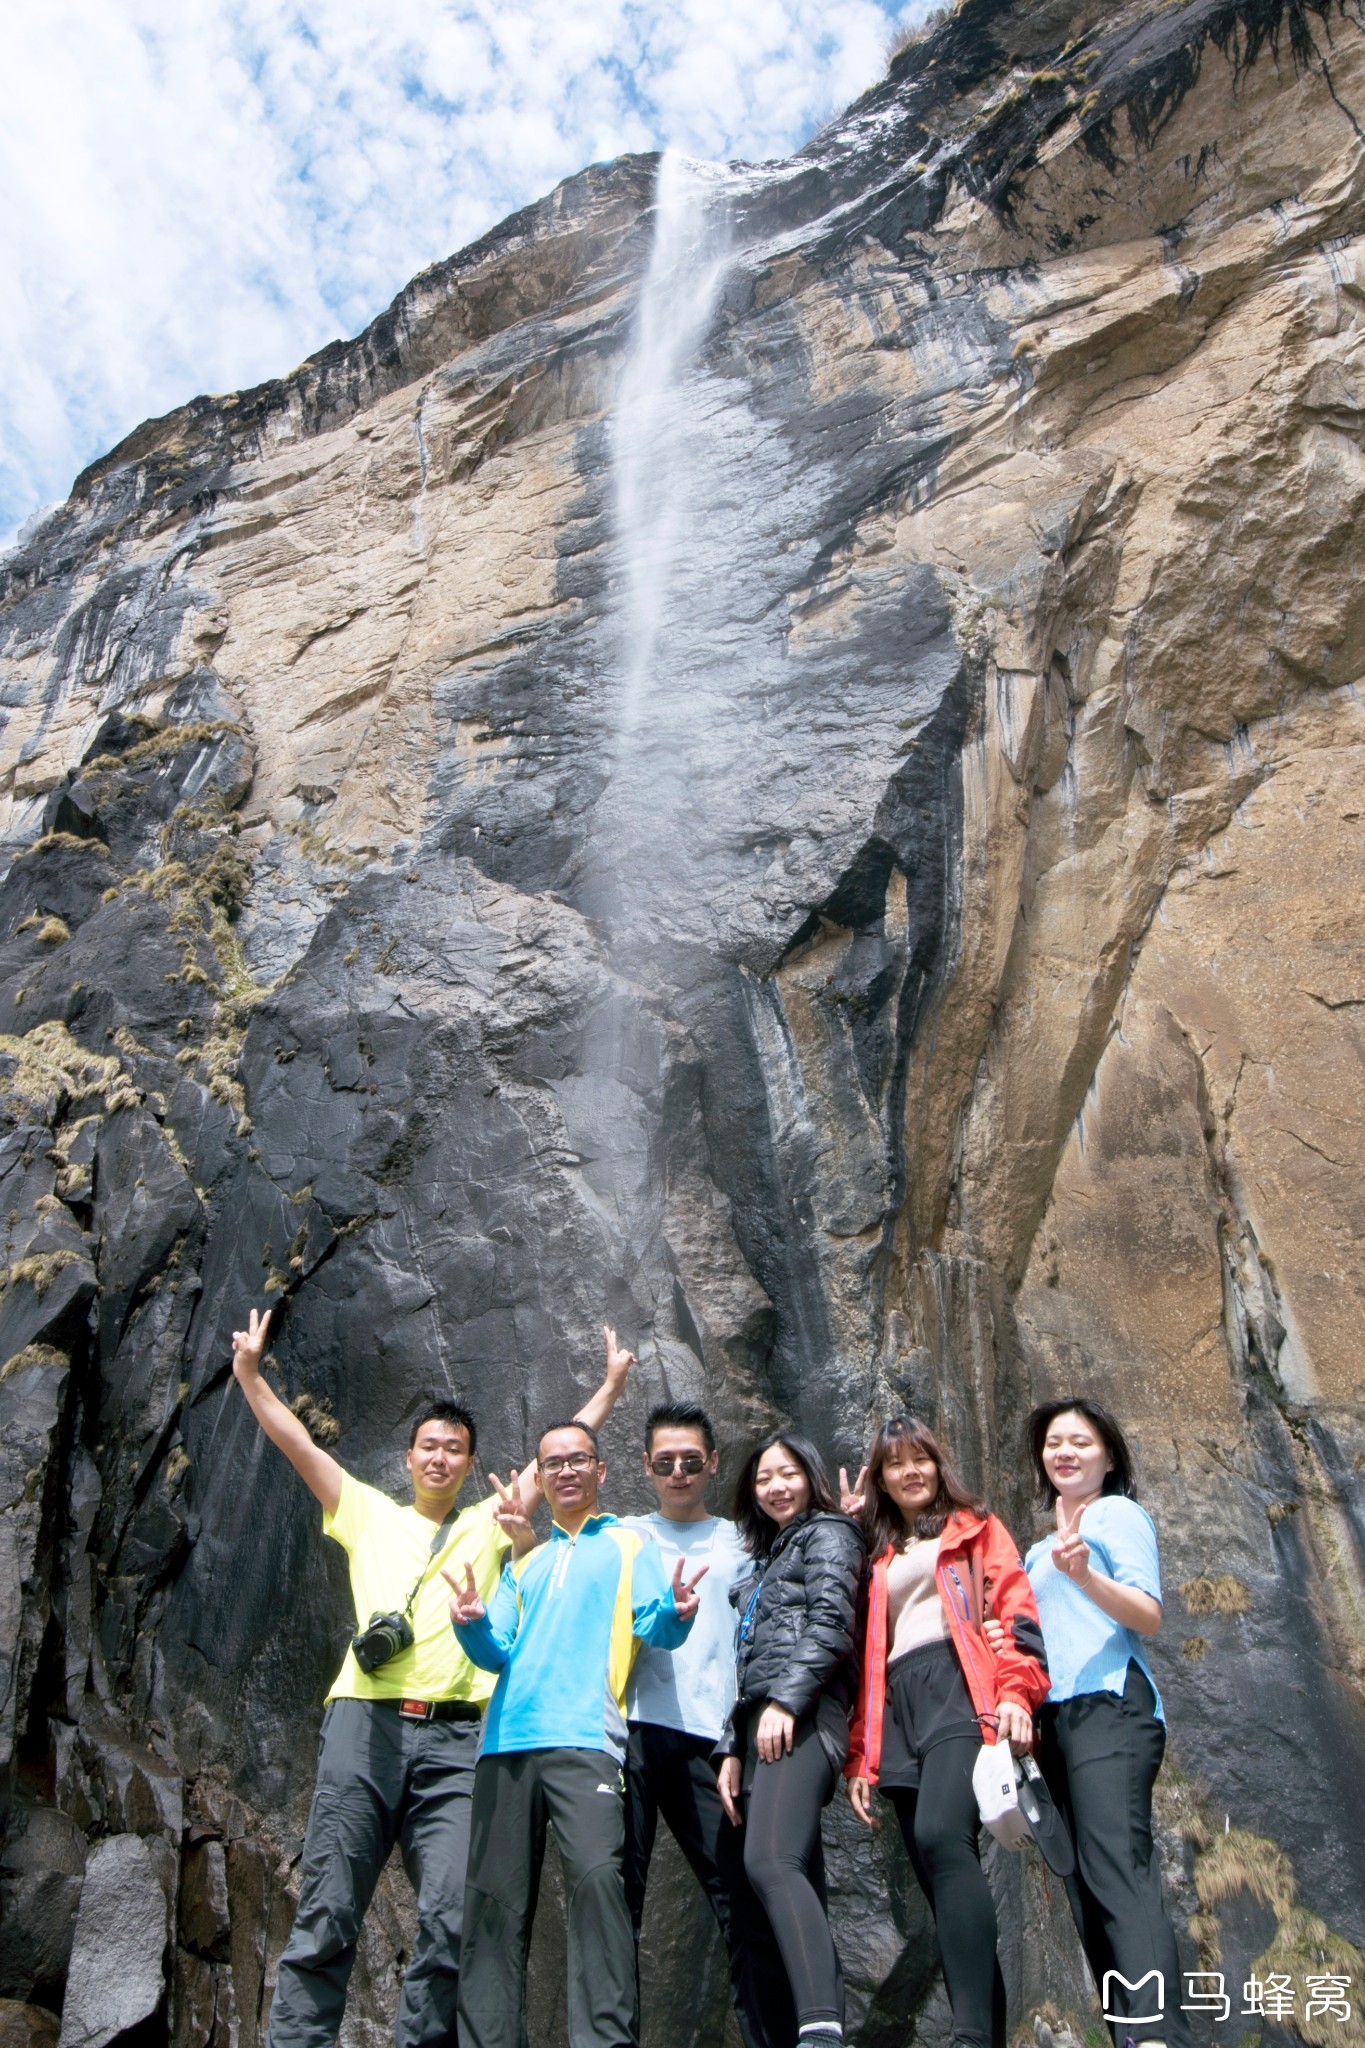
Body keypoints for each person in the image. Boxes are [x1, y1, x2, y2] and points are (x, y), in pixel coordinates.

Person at [229, 1306, 636, 2048]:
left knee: (454, 1917)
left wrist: (609, 1385)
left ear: (472, 1463)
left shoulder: (491, 1521)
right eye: (429, 1446)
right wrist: (249, 1374)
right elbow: (294, 1442)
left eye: (455, 1448)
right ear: (409, 1458)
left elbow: (562, 1454)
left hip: (457, 1742)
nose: (440, 1458)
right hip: (366, 1724)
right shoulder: (364, 1512)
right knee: (328, 1908)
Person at [448, 1417, 706, 2048]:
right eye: (552, 1463)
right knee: (491, 1906)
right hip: (504, 1745)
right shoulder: (525, 1561)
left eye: (577, 1459)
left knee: (598, 1889)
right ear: (541, 1475)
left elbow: (656, 1624)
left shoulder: (628, 1544)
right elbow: (496, 1649)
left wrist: (677, 1613)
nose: (565, 1470)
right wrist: (470, 1621)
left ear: (601, 1470)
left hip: (587, 1740)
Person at [841, 1419, 1051, 2048]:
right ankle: (983, 2031)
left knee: (942, 1834)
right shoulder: (877, 1553)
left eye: (920, 1460)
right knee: (938, 1871)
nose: (910, 1472)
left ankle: (967, 2035)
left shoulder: (976, 1528)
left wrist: (1016, 1691)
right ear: (880, 1479)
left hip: (960, 1688)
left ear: (938, 1464)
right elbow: (862, 1660)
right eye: (894, 1465)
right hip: (899, 1705)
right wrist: (861, 1756)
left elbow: (1016, 1609)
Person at [994, 1399, 1191, 2048]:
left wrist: (1082, 1575)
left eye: (1080, 1441)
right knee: (1081, 1885)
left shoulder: (1115, 1515)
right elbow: (1031, 1644)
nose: (1064, 1452)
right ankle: (1129, 2033)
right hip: (1055, 1726)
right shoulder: (1035, 1550)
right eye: (1053, 1442)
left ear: (1108, 1456)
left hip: (1110, 1706)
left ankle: (1160, 2032)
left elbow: (1146, 1613)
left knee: (1116, 1867)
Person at [618, 1401, 784, 2048]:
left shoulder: (743, 1543)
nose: (679, 1473)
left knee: (740, 1901)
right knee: (616, 1901)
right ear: (645, 1467)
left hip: (711, 1740)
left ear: (713, 1463)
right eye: (665, 1463)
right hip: (628, 1732)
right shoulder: (621, 1535)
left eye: (691, 1461)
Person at [715, 1434, 866, 2048]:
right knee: (790, 1866)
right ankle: (817, 2023)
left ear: (811, 1476)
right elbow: (746, 1659)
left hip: (801, 1714)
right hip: (762, 1723)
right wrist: (731, 1745)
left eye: (788, 1473)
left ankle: (822, 2033)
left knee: (770, 1861)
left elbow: (832, 1621)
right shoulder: (768, 1560)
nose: (775, 1486)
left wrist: (786, 1702)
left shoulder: (829, 1532)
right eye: (763, 1478)